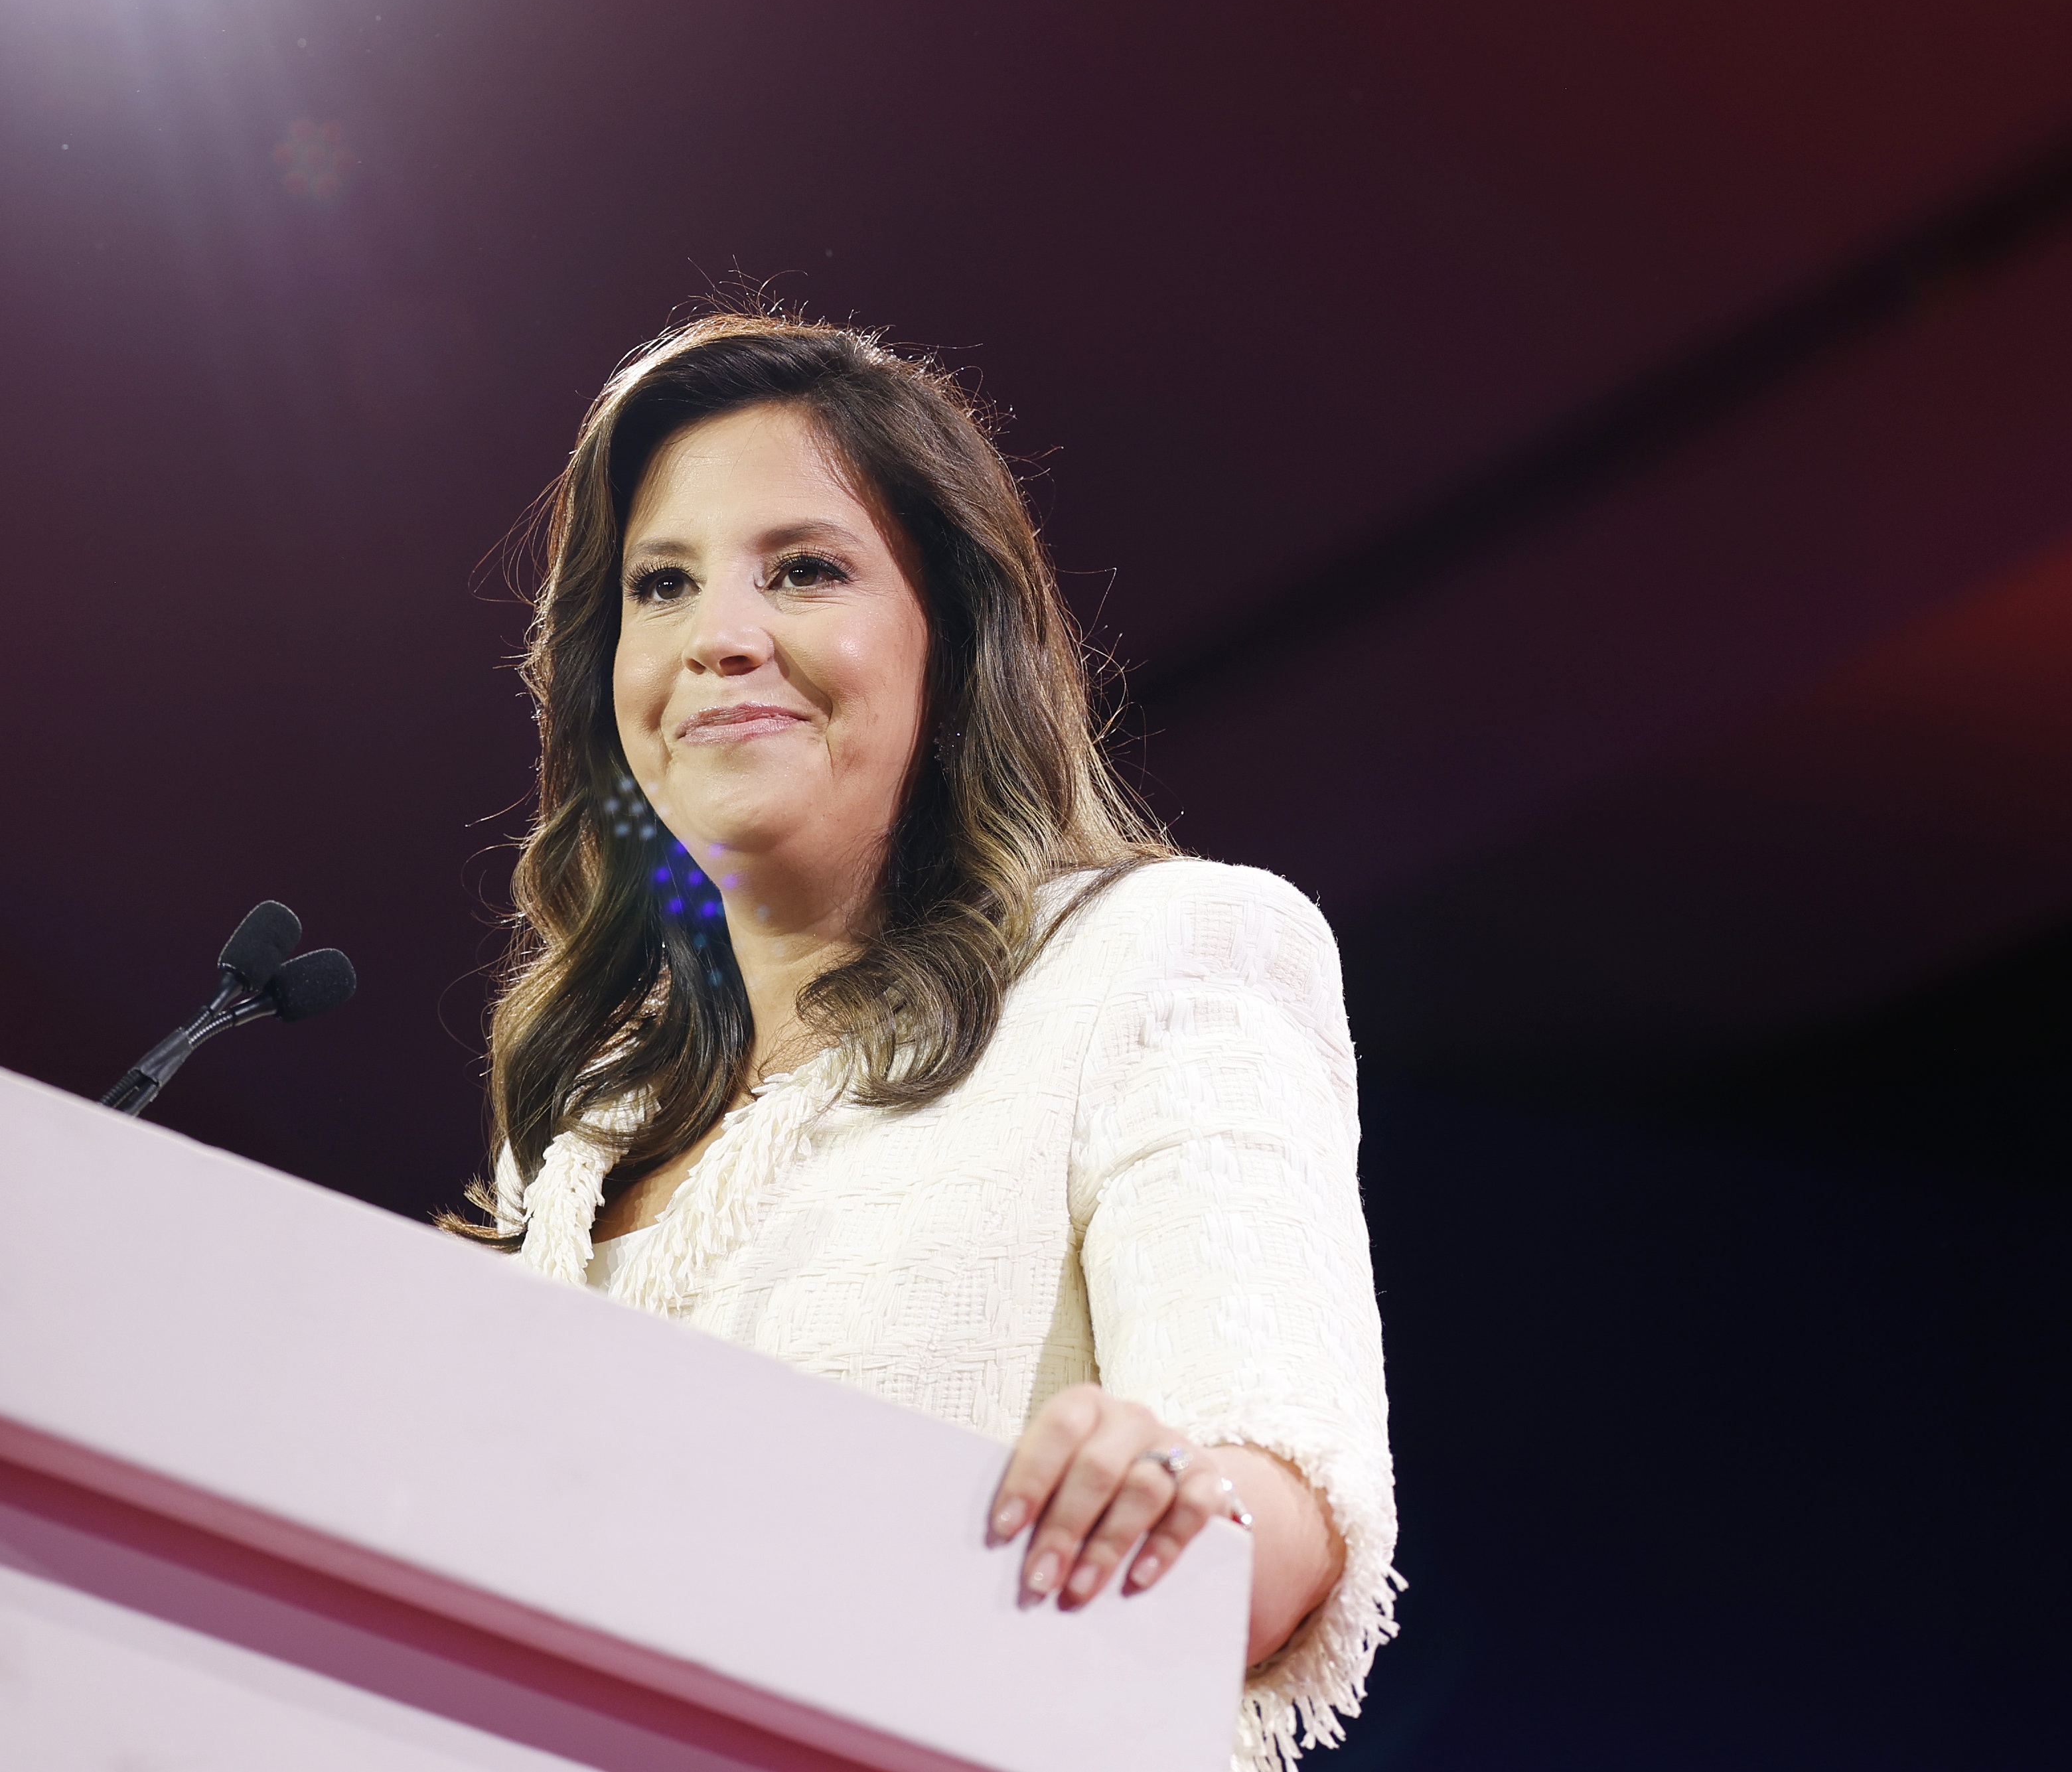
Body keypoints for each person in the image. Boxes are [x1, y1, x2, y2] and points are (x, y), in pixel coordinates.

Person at [459, 309, 1396, 1771]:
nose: (719, 638)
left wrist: (1174, 1494)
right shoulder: (584, 1127)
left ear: (953, 636)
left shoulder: (1158, 952)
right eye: (662, 585)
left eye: (806, 570)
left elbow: (1286, 1504)